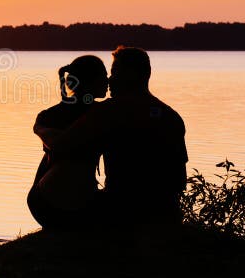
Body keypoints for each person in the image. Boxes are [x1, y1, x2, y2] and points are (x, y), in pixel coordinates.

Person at [51, 46, 188, 226]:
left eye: (114, 72)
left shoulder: (108, 111)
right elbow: (179, 181)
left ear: (130, 75)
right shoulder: (171, 116)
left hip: (120, 211)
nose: (109, 79)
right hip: (165, 213)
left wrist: (42, 129)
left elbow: (60, 147)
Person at [27, 55, 109, 230]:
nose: (107, 80)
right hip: (71, 206)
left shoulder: (47, 116)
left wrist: (38, 128)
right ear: (90, 82)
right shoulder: (103, 113)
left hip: (40, 201)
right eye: (103, 76)